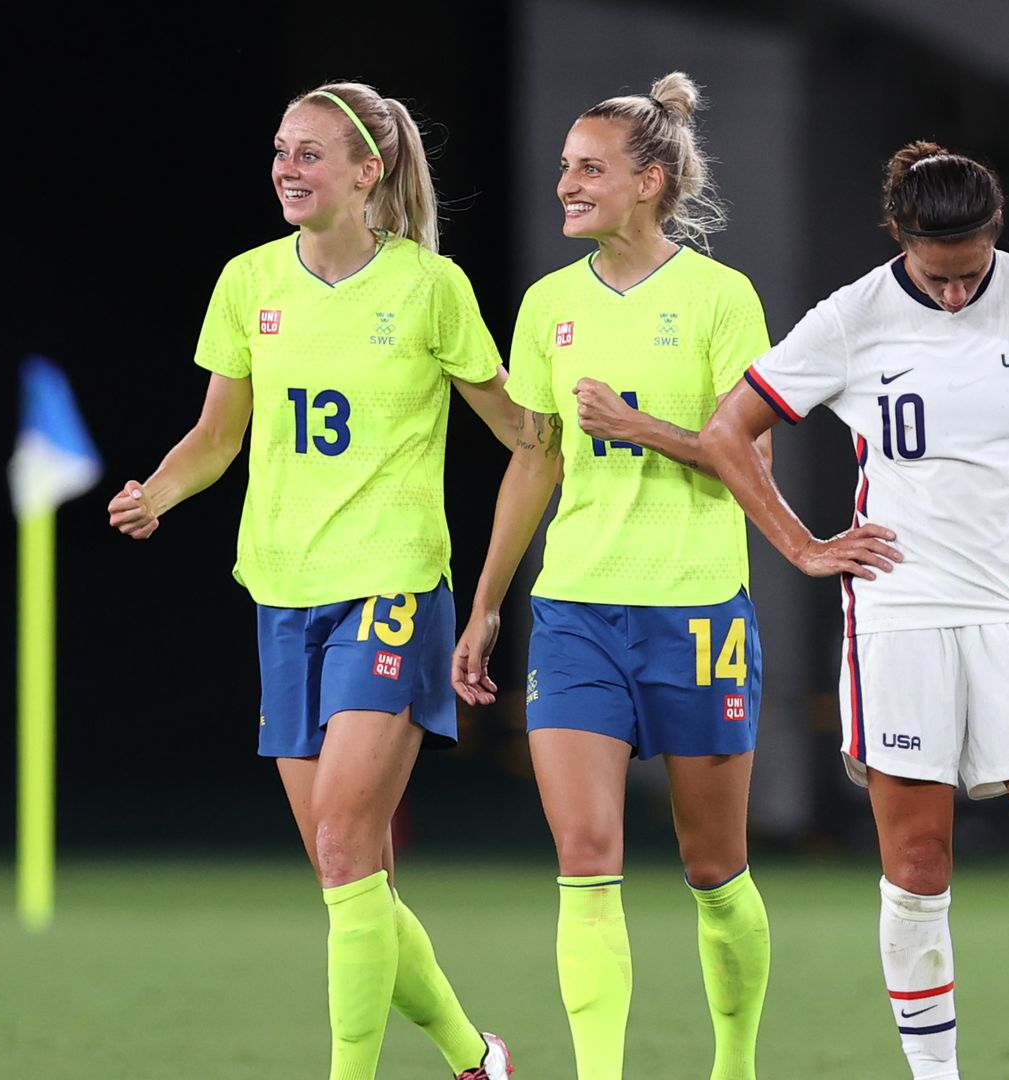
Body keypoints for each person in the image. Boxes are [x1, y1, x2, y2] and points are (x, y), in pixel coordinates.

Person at [698, 141, 1009, 1080]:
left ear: (996, 239)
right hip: (900, 616)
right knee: (918, 863)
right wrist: (804, 546)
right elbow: (728, 430)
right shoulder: (854, 317)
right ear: (901, 237)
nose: (954, 293)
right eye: (937, 276)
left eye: (971, 271)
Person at [105, 81, 516, 1080]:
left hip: (395, 586)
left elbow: (518, 429)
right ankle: (477, 1059)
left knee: (344, 852)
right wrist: (158, 491)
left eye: (311, 153)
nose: (288, 168)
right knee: (353, 878)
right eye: (281, 150)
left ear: (367, 171)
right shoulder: (249, 282)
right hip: (285, 598)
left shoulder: (430, 287)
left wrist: (613, 441)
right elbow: (218, 434)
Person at [450, 72, 775, 1080]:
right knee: (585, 860)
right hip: (579, 613)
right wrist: (489, 604)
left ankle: (735, 1064)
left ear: (650, 181)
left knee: (713, 869)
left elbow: (751, 462)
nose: (565, 186)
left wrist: (642, 429)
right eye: (563, 170)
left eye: (588, 169)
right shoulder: (549, 305)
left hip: (698, 610)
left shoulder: (722, 299)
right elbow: (537, 457)